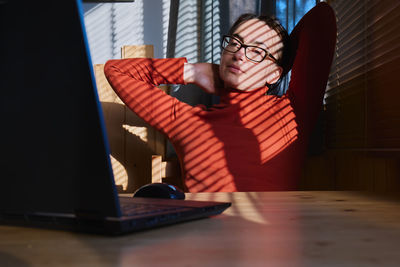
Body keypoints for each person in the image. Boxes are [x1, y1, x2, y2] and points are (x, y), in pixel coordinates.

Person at [104, 2, 337, 192]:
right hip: (208, 238)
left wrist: (282, 59)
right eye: (234, 43)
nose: (239, 55)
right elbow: (115, 71)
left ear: (275, 73)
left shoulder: (294, 110)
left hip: (272, 238)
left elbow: (322, 18)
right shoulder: (186, 120)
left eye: (257, 51)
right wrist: (192, 72)